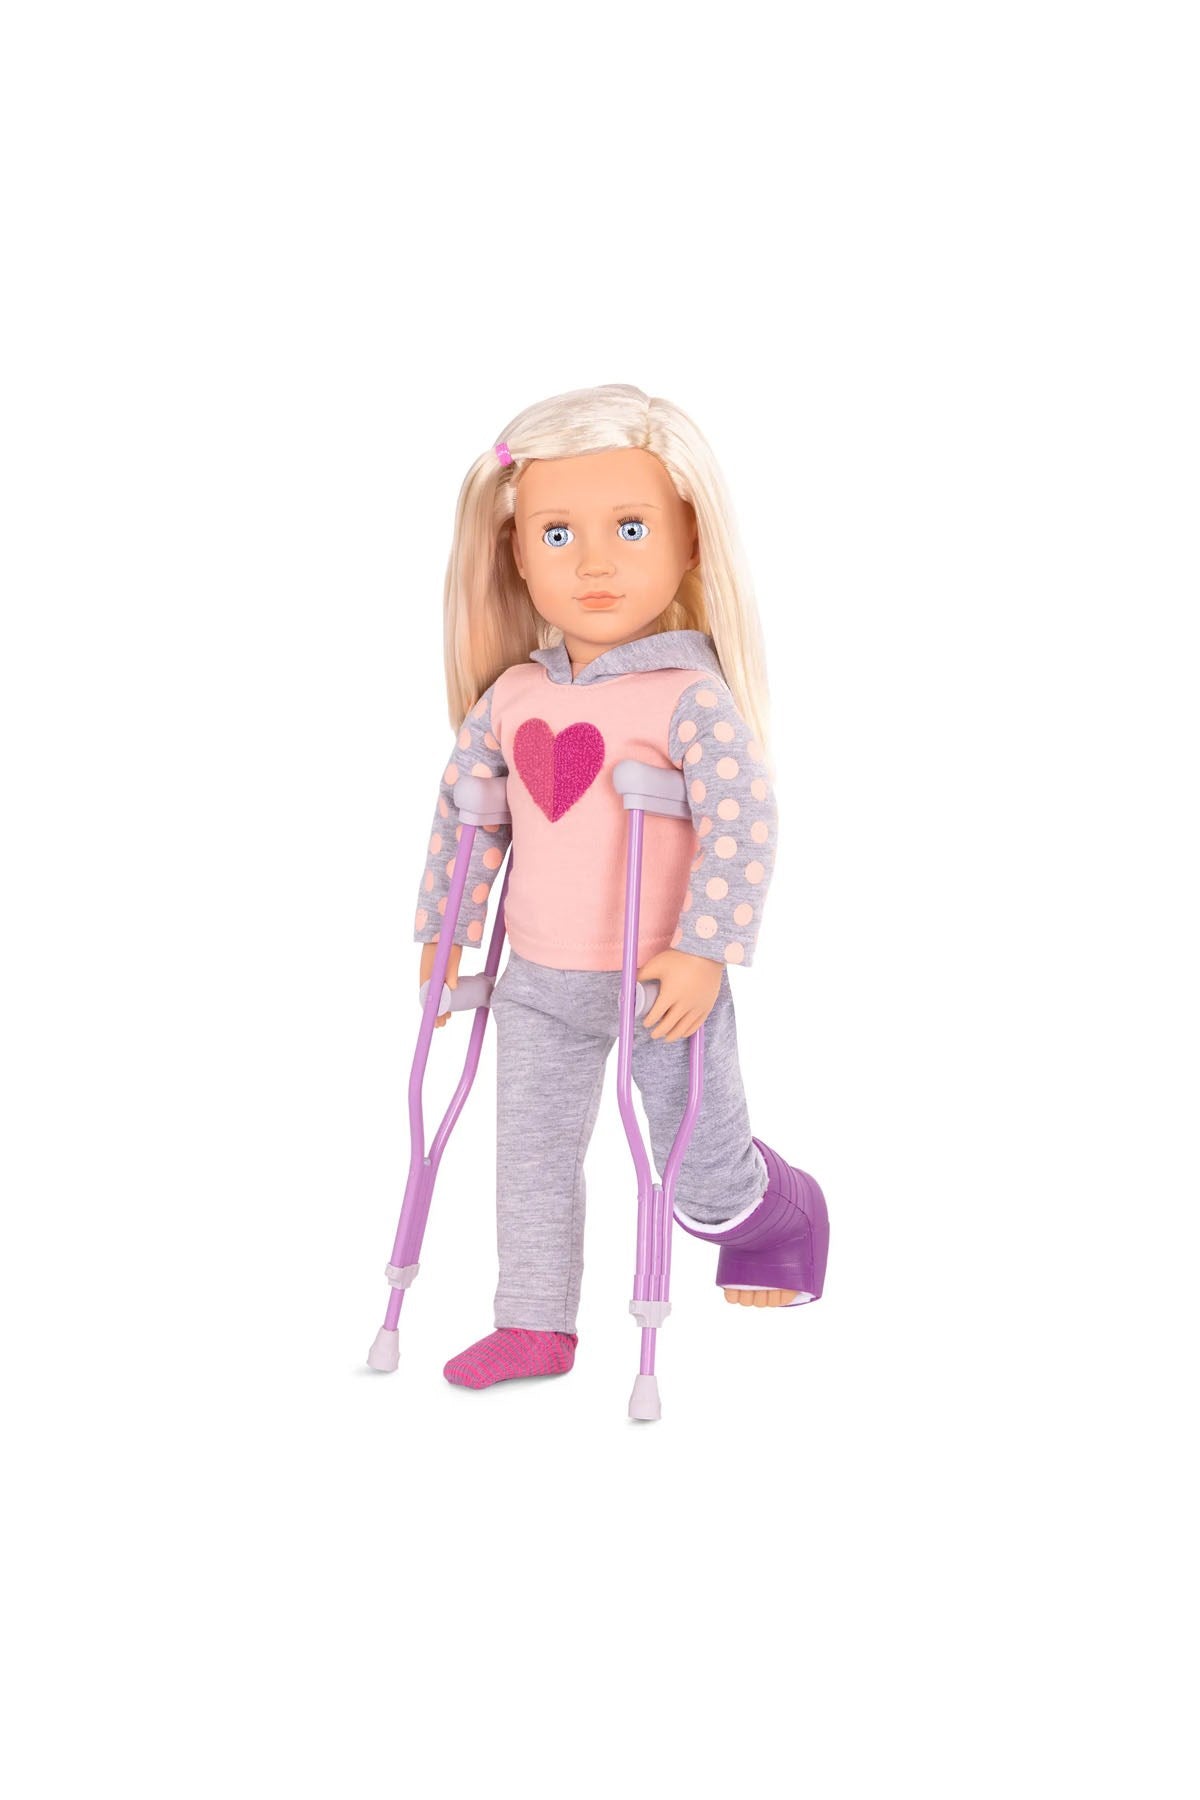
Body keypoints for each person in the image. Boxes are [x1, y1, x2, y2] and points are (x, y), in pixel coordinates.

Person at [413, 384, 828, 1390]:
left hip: (659, 980)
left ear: (688, 540)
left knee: (700, 1173)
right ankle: (534, 1323)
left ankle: (778, 1214)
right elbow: (468, 816)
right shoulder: (513, 697)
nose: (593, 563)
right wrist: (446, 932)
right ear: (515, 552)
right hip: (539, 981)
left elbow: (743, 823)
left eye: (630, 529)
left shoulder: (691, 698)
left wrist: (705, 949)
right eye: (557, 534)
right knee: (532, 1157)